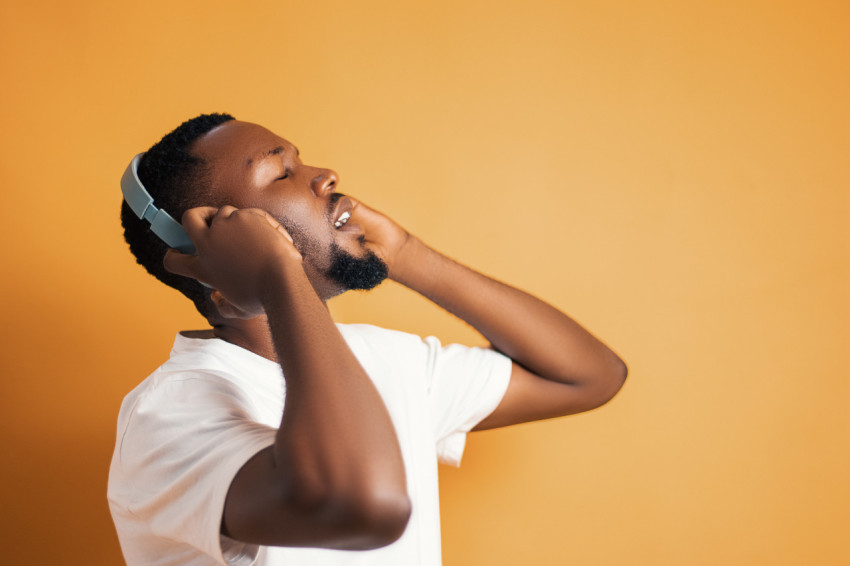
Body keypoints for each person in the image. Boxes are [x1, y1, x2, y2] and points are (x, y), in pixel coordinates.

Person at [108, 113, 627, 566]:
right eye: (280, 172)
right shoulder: (170, 413)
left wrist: (405, 254)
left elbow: (590, 375)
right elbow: (366, 504)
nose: (326, 176)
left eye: (300, 160)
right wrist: (276, 274)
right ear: (211, 249)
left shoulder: (384, 358)